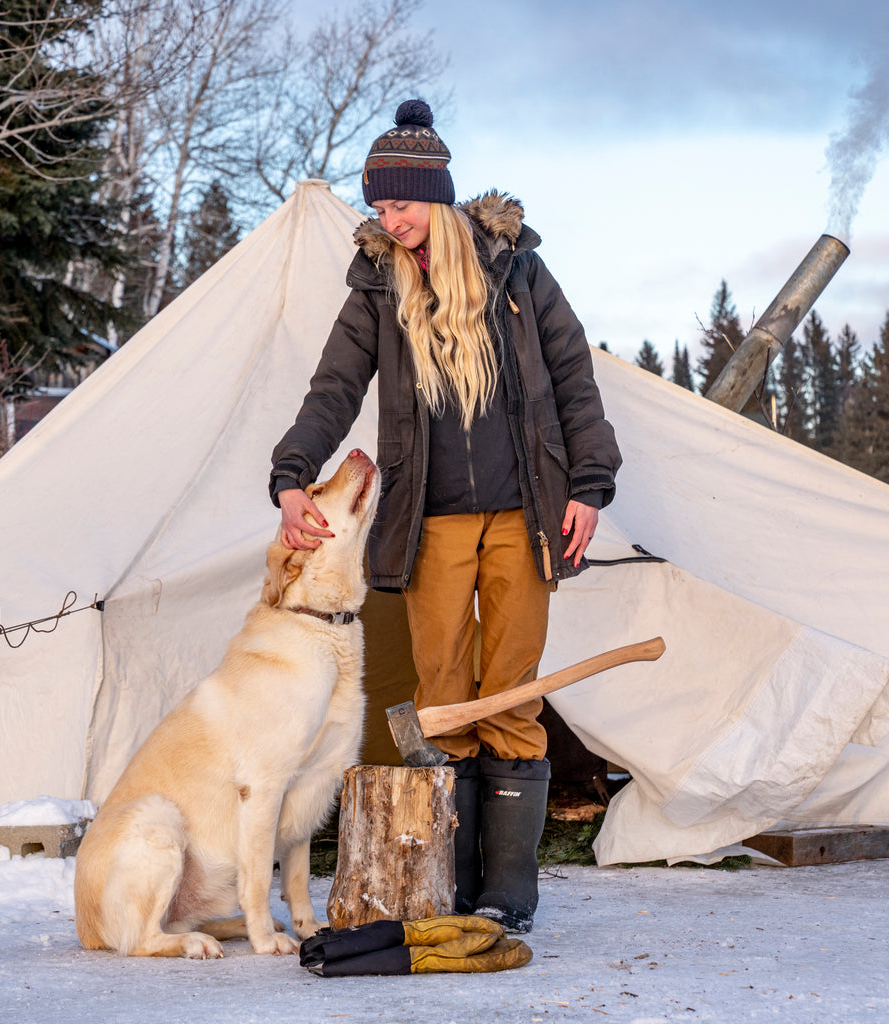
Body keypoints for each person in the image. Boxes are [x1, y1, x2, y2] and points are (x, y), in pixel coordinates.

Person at [269, 99, 620, 933]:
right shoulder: (377, 285)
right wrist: (290, 476)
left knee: (510, 696)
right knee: (442, 701)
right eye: (379, 207)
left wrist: (591, 485)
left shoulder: (517, 272)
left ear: (437, 195)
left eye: (401, 205)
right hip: (431, 522)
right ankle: (452, 884)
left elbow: (574, 380)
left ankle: (510, 891)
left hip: (525, 513)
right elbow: (333, 390)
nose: (388, 221)